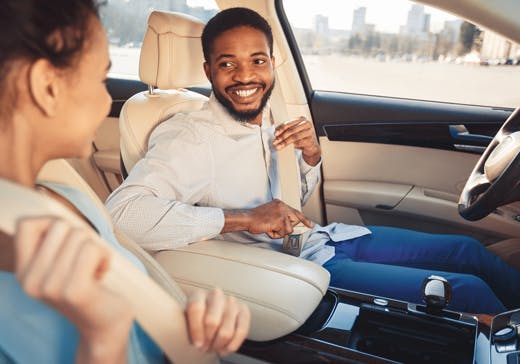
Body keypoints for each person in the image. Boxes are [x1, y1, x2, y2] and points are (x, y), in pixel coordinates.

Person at [106, 7, 520, 315]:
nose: (246, 77)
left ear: (271, 62)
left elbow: (291, 201)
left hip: (325, 238)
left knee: (469, 251)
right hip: (294, 267)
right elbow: (122, 215)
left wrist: (309, 158)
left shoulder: (262, 116)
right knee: (466, 291)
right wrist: (242, 218)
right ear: (208, 70)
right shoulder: (190, 136)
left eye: (258, 61)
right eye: (227, 64)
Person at [0, 1, 250, 363]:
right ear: (47, 86)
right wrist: (102, 339)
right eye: (101, 79)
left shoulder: (71, 199)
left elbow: (140, 309)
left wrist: (184, 324)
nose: (106, 102)